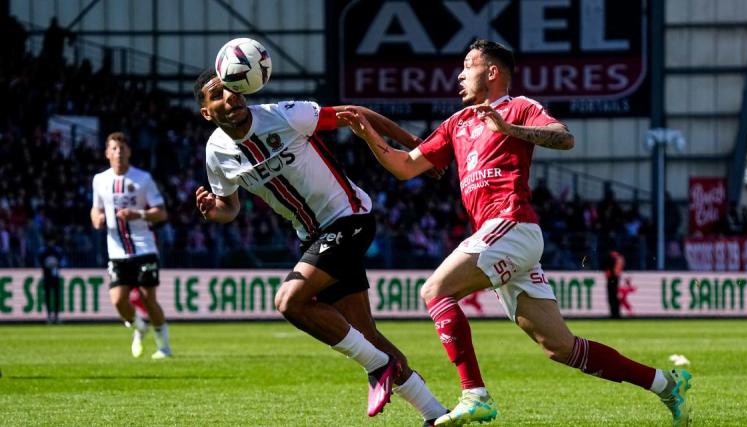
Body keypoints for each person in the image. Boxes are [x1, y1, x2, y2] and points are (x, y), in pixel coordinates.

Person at [339, 39, 692, 427]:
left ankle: (475, 394)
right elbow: (405, 167)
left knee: (435, 291)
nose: (458, 74)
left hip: (513, 224)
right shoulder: (456, 124)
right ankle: (666, 384)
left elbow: (564, 137)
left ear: (492, 72)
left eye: (467, 65)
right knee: (561, 347)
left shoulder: (518, 107)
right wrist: (368, 134)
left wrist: (510, 129)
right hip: (501, 237)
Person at [192, 68, 447, 425]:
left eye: (232, 90)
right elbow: (229, 207)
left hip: (350, 217)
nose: (229, 98)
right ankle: (436, 413)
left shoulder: (283, 115)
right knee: (366, 335)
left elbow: (357, 114)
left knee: (289, 300)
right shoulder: (216, 153)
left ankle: (379, 366)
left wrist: (417, 148)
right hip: (314, 236)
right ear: (206, 111)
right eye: (217, 95)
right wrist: (211, 211)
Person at [90, 132, 172, 359]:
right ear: (107, 153)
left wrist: (138, 214)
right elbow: (95, 208)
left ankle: (164, 346)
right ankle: (139, 325)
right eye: (114, 149)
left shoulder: (143, 179)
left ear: (129, 152)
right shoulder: (99, 180)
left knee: (148, 298)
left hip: (144, 247)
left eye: (122, 148)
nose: (119, 153)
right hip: (116, 251)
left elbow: (161, 213)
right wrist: (96, 218)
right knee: (118, 300)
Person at [38, 234, 64, 324]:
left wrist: (56, 264)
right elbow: (40, 263)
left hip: (55, 276)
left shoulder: (57, 251)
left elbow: (62, 262)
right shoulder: (44, 251)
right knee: (48, 297)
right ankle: (49, 316)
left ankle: (56, 316)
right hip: (47, 276)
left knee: (56, 297)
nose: (50, 243)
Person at [602, 247, 625, 319]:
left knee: (612, 297)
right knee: (613, 297)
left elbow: (608, 269)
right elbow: (618, 269)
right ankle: (615, 313)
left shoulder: (611, 257)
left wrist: (609, 272)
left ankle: (614, 314)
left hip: (612, 278)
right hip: (614, 278)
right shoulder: (618, 257)